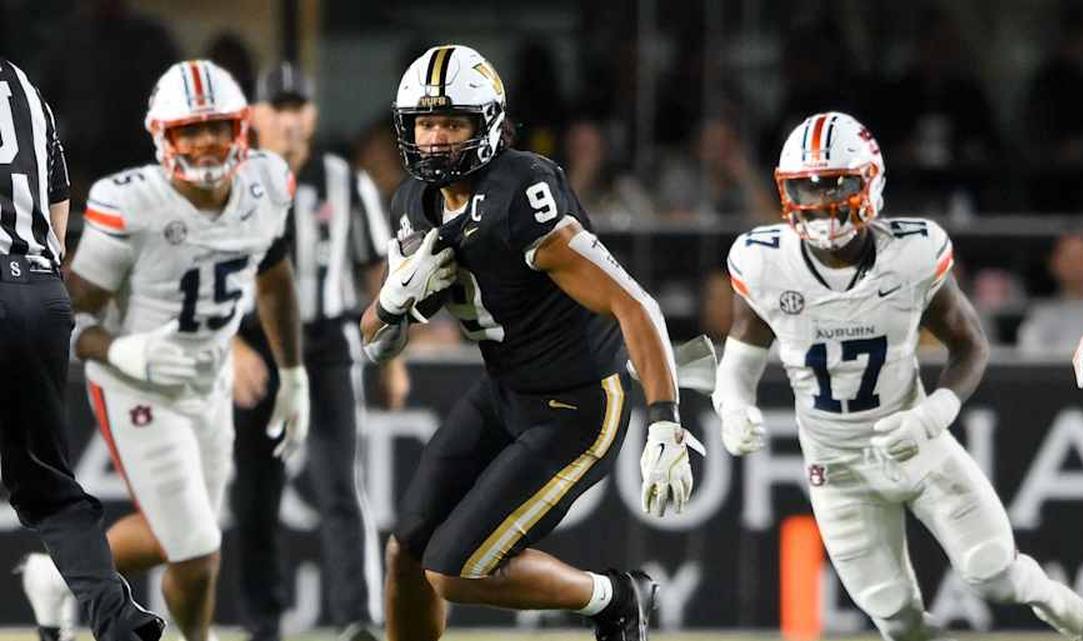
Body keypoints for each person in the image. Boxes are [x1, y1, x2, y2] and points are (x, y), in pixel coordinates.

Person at [713, 111, 1083, 641]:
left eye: (836, 184)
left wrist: (932, 415)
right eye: (807, 187)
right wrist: (733, 405)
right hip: (836, 467)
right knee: (895, 617)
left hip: (917, 445)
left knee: (993, 572)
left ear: (870, 182)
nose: (820, 201)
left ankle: (1065, 607)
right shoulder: (764, 262)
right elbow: (741, 355)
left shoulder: (911, 254)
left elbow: (970, 344)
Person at [360, 44, 704, 641]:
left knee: (455, 568)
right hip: (504, 391)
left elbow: (633, 303)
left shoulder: (519, 195)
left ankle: (616, 597)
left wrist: (665, 421)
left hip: (579, 403)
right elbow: (375, 344)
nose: (436, 139)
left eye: (453, 123)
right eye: (426, 123)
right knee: (407, 551)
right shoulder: (412, 203)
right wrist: (392, 303)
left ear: (489, 125)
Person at [20, 60, 309, 641]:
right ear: (162, 137)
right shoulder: (132, 204)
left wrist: (293, 371)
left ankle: (56, 575)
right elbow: (68, 315)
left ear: (240, 128)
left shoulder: (268, 182)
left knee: (184, 540)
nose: (205, 143)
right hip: (136, 386)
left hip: (208, 379)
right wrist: (126, 353)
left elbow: (275, 277)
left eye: (216, 127)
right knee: (196, 546)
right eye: (189, 130)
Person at [229, 62, 398, 641]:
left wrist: (393, 356)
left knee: (339, 485)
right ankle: (262, 626)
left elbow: (379, 270)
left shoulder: (345, 181)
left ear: (314, 114)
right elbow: (202, 270)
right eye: (277, 108)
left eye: (298, 107)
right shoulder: (232, 181)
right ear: (254, 116)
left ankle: (358, 620)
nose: (289, 121)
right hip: (253, 344)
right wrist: (230, 347)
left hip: (327, 342)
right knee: (254, 496)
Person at [1, 56, 164, 641]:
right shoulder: (24, 86)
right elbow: (58, 205)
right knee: (49, 487)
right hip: (40, 293)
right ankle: (117, 619)